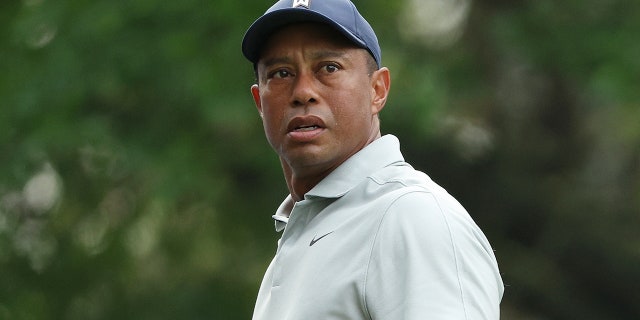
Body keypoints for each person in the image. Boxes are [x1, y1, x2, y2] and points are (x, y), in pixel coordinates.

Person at [241, 0, 504, 319]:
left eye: (329, 67)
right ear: (259, 101)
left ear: (377, 90)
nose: (303, 91)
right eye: (281, 73)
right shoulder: (303, 234)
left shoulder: (411, 217)